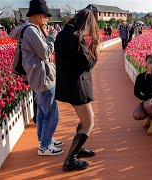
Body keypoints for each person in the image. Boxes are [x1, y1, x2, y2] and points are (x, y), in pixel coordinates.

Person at [10, 0, 63, 156]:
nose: (47, 18)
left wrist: (46, 33)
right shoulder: (31, 31)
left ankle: (44, 139)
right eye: (45, 15)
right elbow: (45, 53)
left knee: (42, 111)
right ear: (36, 15)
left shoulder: (31, 29)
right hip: (42, 76)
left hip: (37, 75)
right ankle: (45, 146)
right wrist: (52, 36)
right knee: (52, 112)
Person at [55, 9, 99, 171]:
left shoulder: (62, 34)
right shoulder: (75, 37)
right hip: (77, 86)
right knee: (89, 121)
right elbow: (88, 64)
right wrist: (95, 48)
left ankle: (78, 149)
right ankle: (70, 160)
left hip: (67, 84)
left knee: (85, 119)